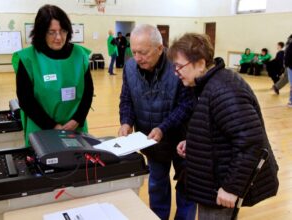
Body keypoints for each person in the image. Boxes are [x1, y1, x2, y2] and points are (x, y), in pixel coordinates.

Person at [168, 33, 279, 220]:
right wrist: (195, 142)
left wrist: (231, 187)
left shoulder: (225, 90)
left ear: (201, 64)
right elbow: (219, 129)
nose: (176, 72)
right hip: (212, 180)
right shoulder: (207, 84)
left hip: (222, 185)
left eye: (180, 66)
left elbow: (251, 143)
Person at [118, 24, 196, 220]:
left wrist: (163, 127)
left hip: (182, 140)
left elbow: (187, 104)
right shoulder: (129, 67)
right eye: (133, 51)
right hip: (151, 141)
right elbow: (126, 98)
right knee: (157, 185)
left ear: (160, 48)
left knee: (187, 187)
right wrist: (126, 121)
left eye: (142, 52)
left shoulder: (179, 65)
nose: (137, 58)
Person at [12, 4, 94, 146]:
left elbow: (88, 92)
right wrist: (53, 126)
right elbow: (26, 100)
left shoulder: (79, 55)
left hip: (75, 128)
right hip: (41, 129)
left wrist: (77, 120)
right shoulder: (28, 58)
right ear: (41, 32)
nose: (58, 37)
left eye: (63, 31)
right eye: (52, 32)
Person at [285, 34, 292, 107]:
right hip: (291, 67)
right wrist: (287, 65)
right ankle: (291, 101)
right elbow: (287, 55)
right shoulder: (290, 45)